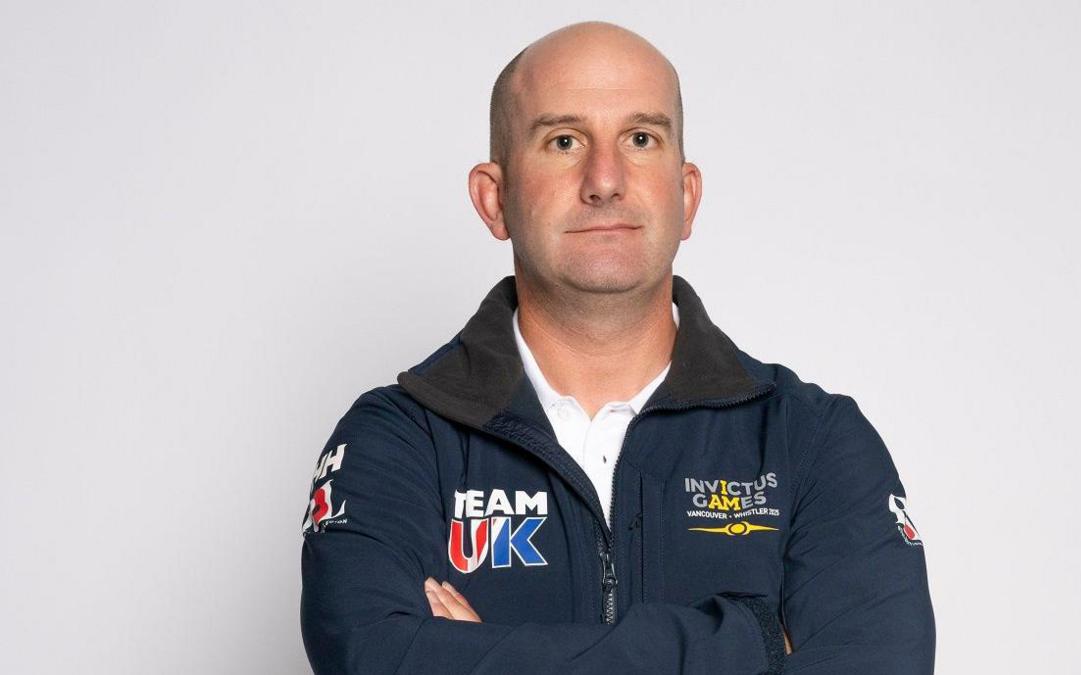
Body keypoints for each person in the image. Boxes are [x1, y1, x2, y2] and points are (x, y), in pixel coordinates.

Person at [300, 20, 935, 675]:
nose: (604, 178)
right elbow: (372, 657)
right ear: (496, 199)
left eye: (640, 138)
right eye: (563, 140)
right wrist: (753, 644)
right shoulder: (395, 443)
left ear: (685, 197)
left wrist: (481, 657)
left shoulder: (813, 442)